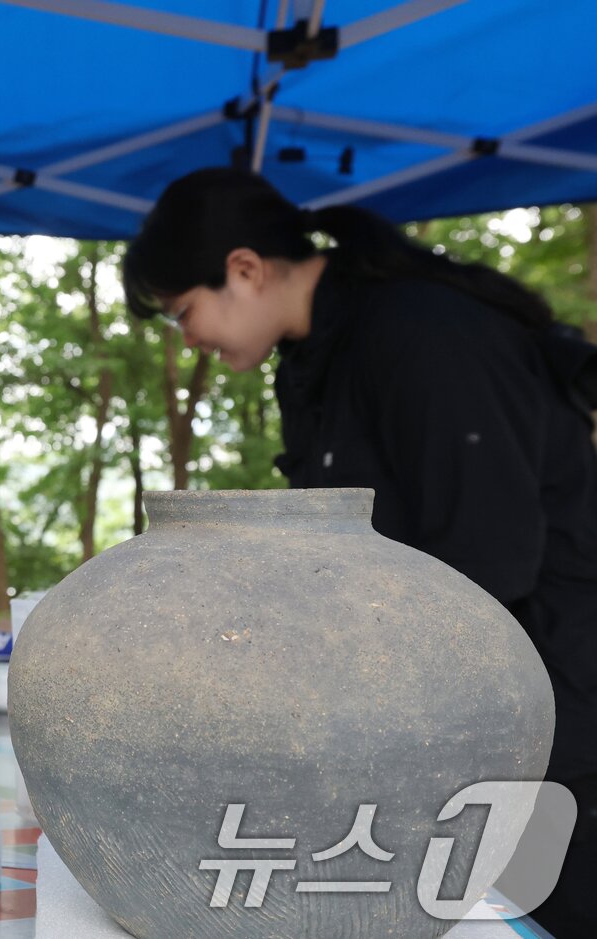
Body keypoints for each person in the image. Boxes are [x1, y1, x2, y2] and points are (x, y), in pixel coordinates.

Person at [123, 166, 597, 936]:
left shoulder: (422, 332)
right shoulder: (318, 358)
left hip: (547, 705)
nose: (191, 339)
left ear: (242, 270)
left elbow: (491, 556)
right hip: (452, 713)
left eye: (184, 312)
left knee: (542, 907)